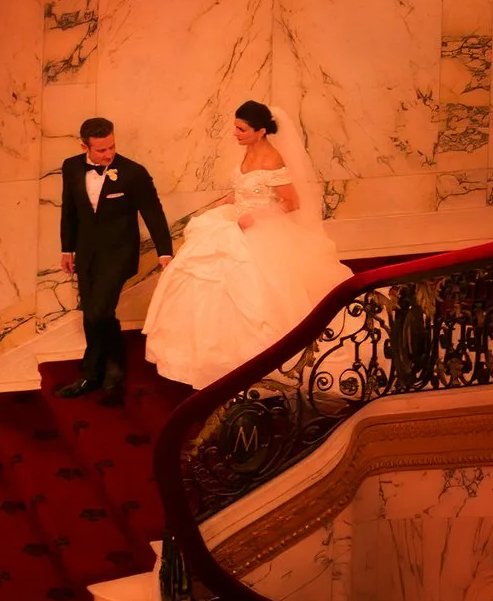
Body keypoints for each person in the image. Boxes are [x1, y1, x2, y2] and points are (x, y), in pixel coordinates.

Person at [142, 100, 351, 389]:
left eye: (242, 129)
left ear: (261, 131)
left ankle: (253, 363)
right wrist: (223, 204)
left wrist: (259, 216)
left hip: (261, 230)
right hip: (235, 221)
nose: (235, 133)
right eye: (236, 126)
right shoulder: (248, 152)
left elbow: (292, 202)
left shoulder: (273, 160)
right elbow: (242, 189)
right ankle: (205, 356)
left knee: (256, 293)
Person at [58, 117, 174, 402]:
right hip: (86, 252)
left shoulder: (133, 172)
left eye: (111, 147)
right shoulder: (72, 166)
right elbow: (69, 209)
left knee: (98, 311)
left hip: (119, 252)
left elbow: (153, 212)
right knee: (93, 312)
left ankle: (103, 370)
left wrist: (165, 251)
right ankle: (100, 370)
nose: (107, 154)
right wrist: (67, 249)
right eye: (100, 150)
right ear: (84, 145)